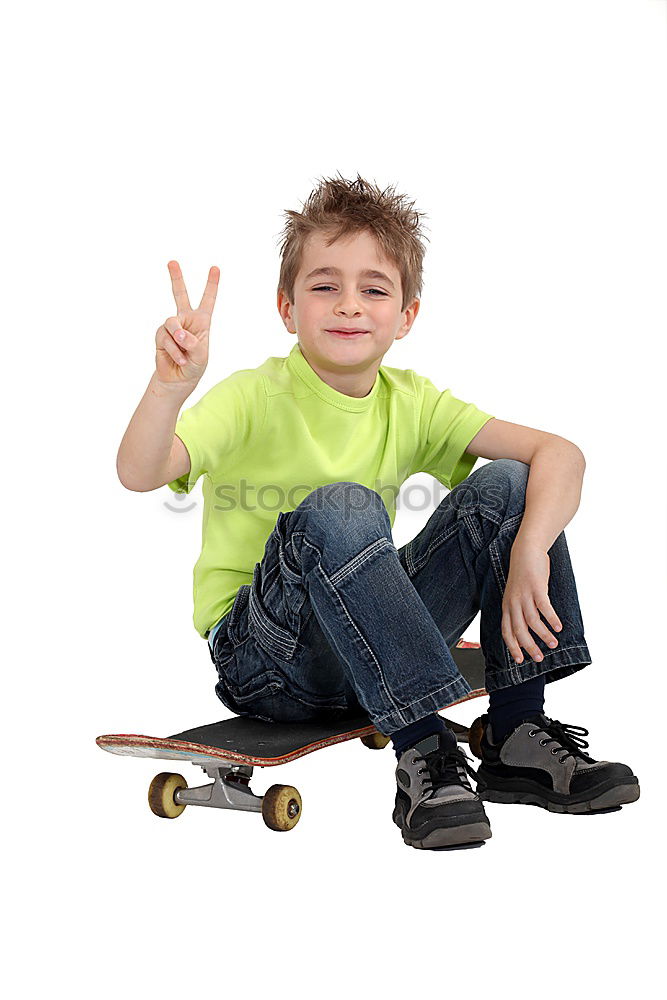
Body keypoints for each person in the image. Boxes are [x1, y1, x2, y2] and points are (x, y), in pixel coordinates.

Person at [116, 172, 639, 849]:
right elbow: (140, 471)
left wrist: (530, 547)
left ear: (405, 315)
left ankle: (515, 736)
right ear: (286, 307)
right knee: (342, 507)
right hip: (267, 660)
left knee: (510, 485)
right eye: (324, 285)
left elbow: (558, 453)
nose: (349, 307)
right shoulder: (252, 395)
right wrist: (168, 388)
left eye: (373, 289)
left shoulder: (411, 399)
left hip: (372, 644)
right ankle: (423, 755)